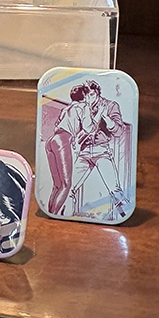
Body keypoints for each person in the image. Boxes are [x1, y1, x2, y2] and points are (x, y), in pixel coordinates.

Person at [65, 81, 131, 219]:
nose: (89, 99)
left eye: (92, 95)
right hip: (84, 153)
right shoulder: (81, 106)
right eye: (86, 96)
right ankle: (66, 217)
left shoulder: (110, 105)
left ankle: (125, 216)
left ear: (97, 93)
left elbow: (119, 131)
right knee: (69, 187)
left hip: (101, 151)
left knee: (115, 190)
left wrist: (107, 120)